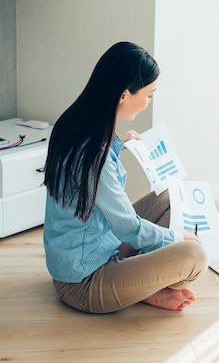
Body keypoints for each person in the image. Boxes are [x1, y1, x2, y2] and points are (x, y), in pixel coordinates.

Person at [43, 41, 208, 314]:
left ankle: (137, 284)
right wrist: (179, 237)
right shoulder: (96, 157)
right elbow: (128, 228)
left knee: (168, 198)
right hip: (83, 283)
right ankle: (142, 287)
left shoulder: (74, 123)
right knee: (195, 256)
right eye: (149, 94)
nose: (148, 103)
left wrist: (118, 144)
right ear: (123, 95)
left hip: (93, 249)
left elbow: (90, 177)